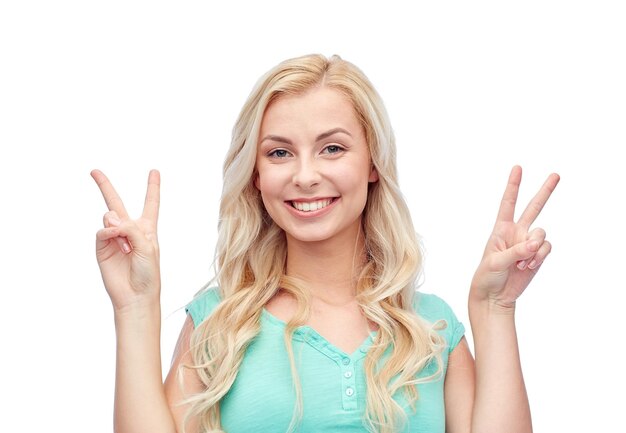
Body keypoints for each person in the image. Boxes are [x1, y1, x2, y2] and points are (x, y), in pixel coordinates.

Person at [92, 53, 559, 433]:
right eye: (279, 153)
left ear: (373, 162)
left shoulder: (432, 328)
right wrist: (134, 307)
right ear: (256, 176)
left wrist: (495, 309)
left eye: (332, 148)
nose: (306, 175)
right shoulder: (219, 323)